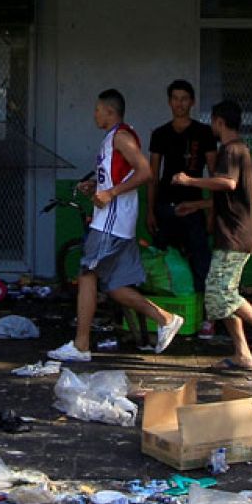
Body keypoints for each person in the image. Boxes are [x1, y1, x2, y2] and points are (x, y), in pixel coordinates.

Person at [49, 90, 185, 362]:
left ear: (109, 111)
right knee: (114, 287)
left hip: (110, 223)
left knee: (87, 275)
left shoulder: (121, 136)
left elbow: (145, 171)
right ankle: (166, 319)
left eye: (97, 110)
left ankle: (81, 345)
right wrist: (97, 187)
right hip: (118, 223)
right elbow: (118, 177)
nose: (94, 114)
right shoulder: (113, 138)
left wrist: (110, 194)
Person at [172, 100, 252, 371]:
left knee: (218, 292)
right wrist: (198, 205)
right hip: (236, 231)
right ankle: (242, 354)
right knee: (224, 293)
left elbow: (228, 183)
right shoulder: (239, 150)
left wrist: (190, 181)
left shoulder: (231, 150)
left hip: (236, 234)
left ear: (219, 122)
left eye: (213, 122)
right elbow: (230, 196)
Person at [146, 79, 218, 298]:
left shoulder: (204, 132)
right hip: (166, 206)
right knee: (162, 259)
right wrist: (150, 211)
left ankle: (203, 315)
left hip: (195, 207)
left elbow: (214, 175)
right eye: (175, 99)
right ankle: (166, 314)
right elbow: (153, 176)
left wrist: (211, 212)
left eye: (184, 99)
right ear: (169, 102)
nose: (179, 103)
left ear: (192, 102)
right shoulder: (160, 134)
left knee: (200, 261)